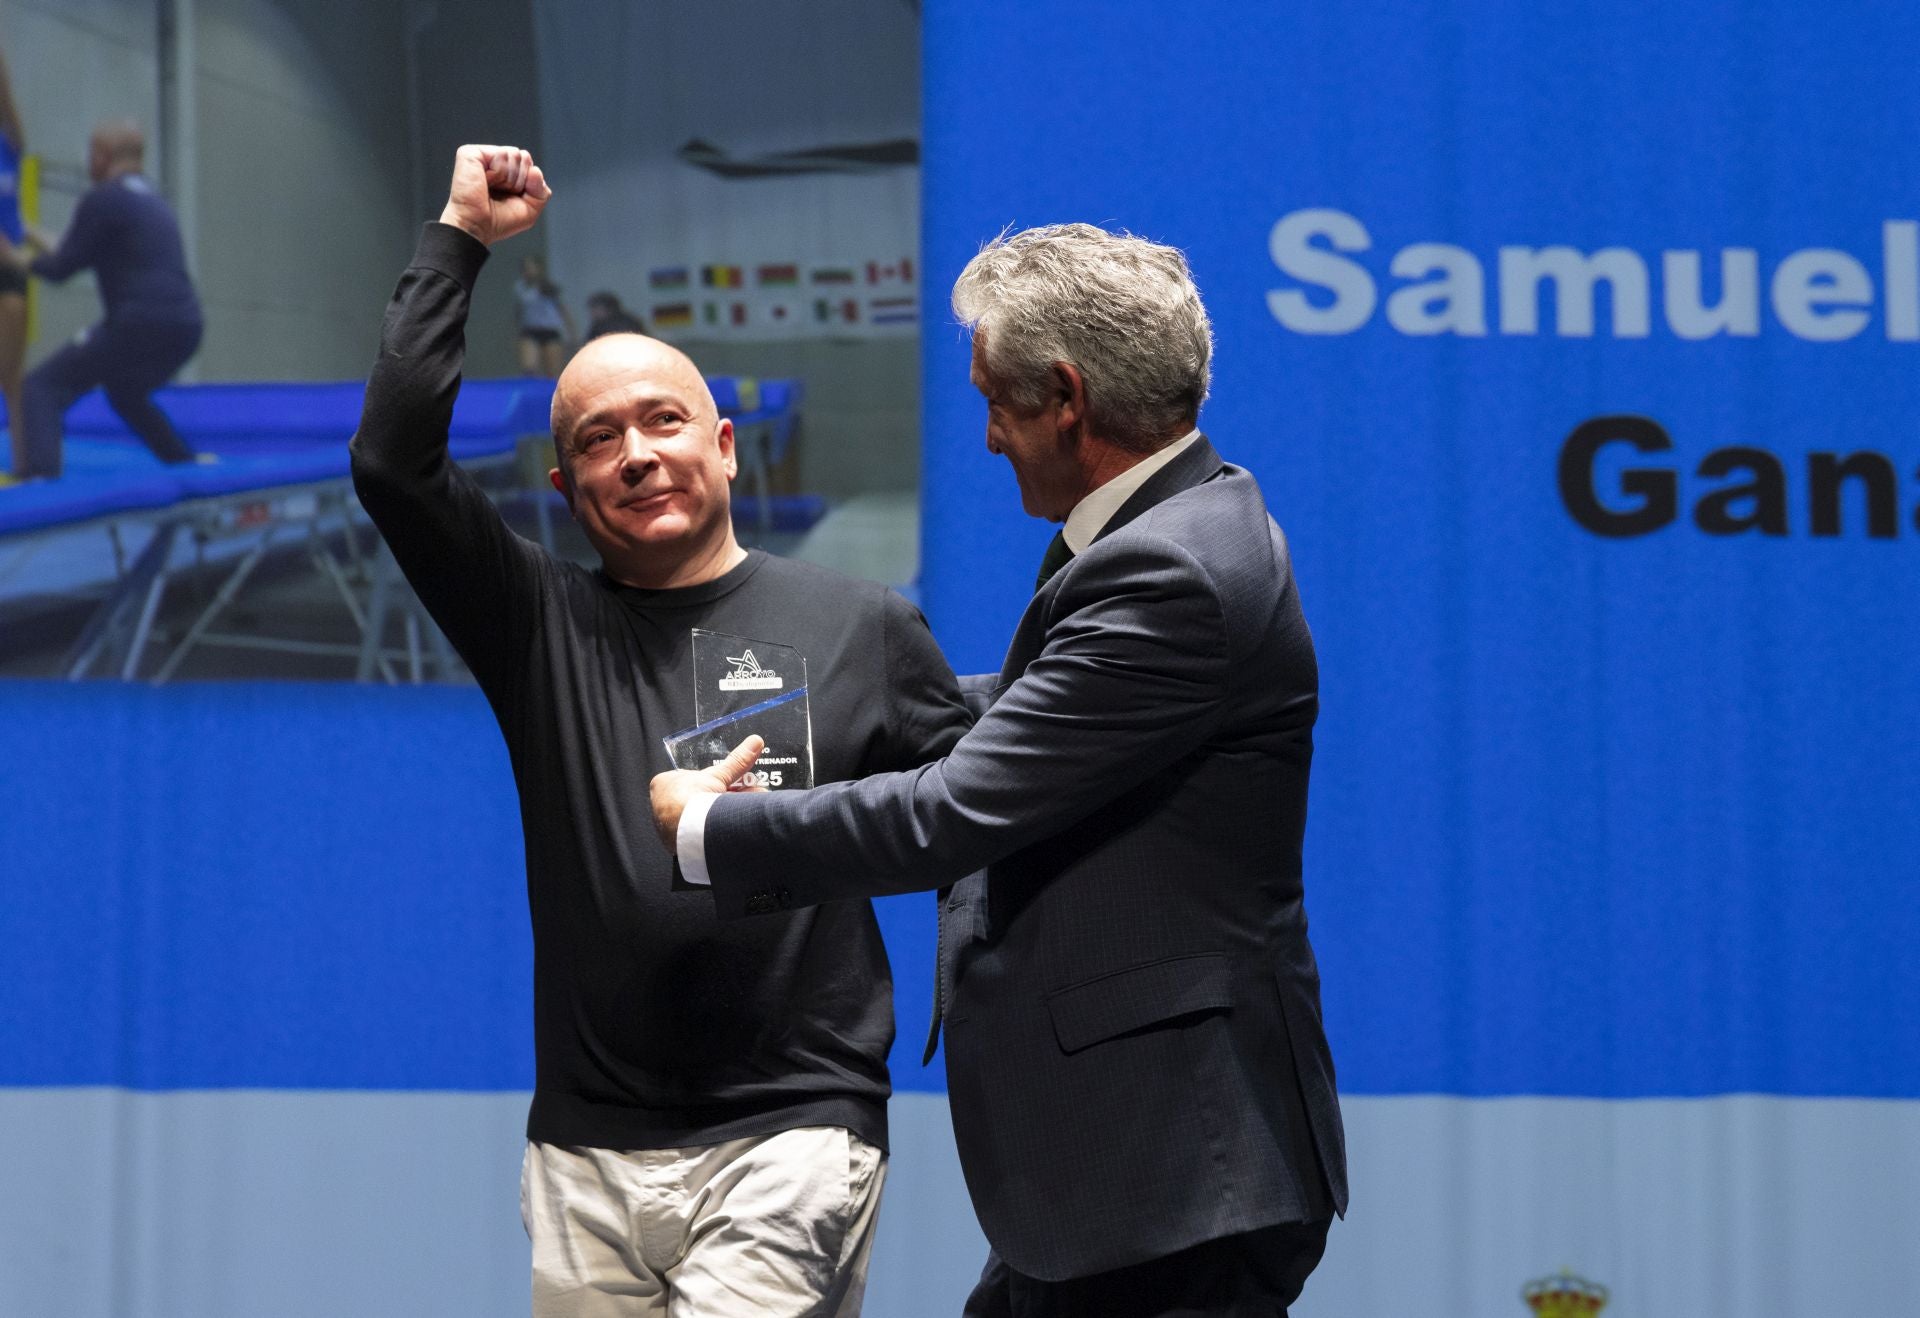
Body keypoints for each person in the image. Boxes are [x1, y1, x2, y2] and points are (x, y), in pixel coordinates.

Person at [654, 224, 1348, 1317]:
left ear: (1067, 397)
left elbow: (957, 810)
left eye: (996, 402)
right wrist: (840, 716)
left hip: (1175, 1181)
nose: (984, 437)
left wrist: (713, 832)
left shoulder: (1171, 569)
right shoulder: (1177, 521)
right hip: (1125, 1178)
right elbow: (1053, 708)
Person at [351, 144, 969, 1317]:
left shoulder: (863, 626)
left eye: (664, 420)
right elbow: (391, 460)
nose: (635, 452)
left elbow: (974, 819)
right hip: (584, 1152)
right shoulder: (538, 624)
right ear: (566, 487)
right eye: (598, 440)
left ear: (725, 446)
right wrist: (458, 240)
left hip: (791, 1132)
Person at [2, 119, 204, 481]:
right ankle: (186, 464)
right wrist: (27, 231)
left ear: (102, 156)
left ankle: (41, 487)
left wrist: (14, 258)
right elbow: (74, 250)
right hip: (186, 327)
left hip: (140, 323)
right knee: (124, 392)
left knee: (40, 387)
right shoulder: (151, 199)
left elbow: (62, 268)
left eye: (91, 154)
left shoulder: (103, 198)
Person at [0, 50, 28, 478]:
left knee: (13, 373)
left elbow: (8, 103)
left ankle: (26, 465)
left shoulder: (10, 145)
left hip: (11, 266)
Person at [515, 252, 573, 375]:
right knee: (529, 368)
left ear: (539, 269)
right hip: (530, 330)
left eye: (531, 268)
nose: (528, 272)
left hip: (549, 330)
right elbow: (520, 311)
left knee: (552, 370)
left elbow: (563, 311)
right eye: (525, 269)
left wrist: (571, 334)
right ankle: (531, 388)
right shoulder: (520, 288)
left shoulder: (550, 288)